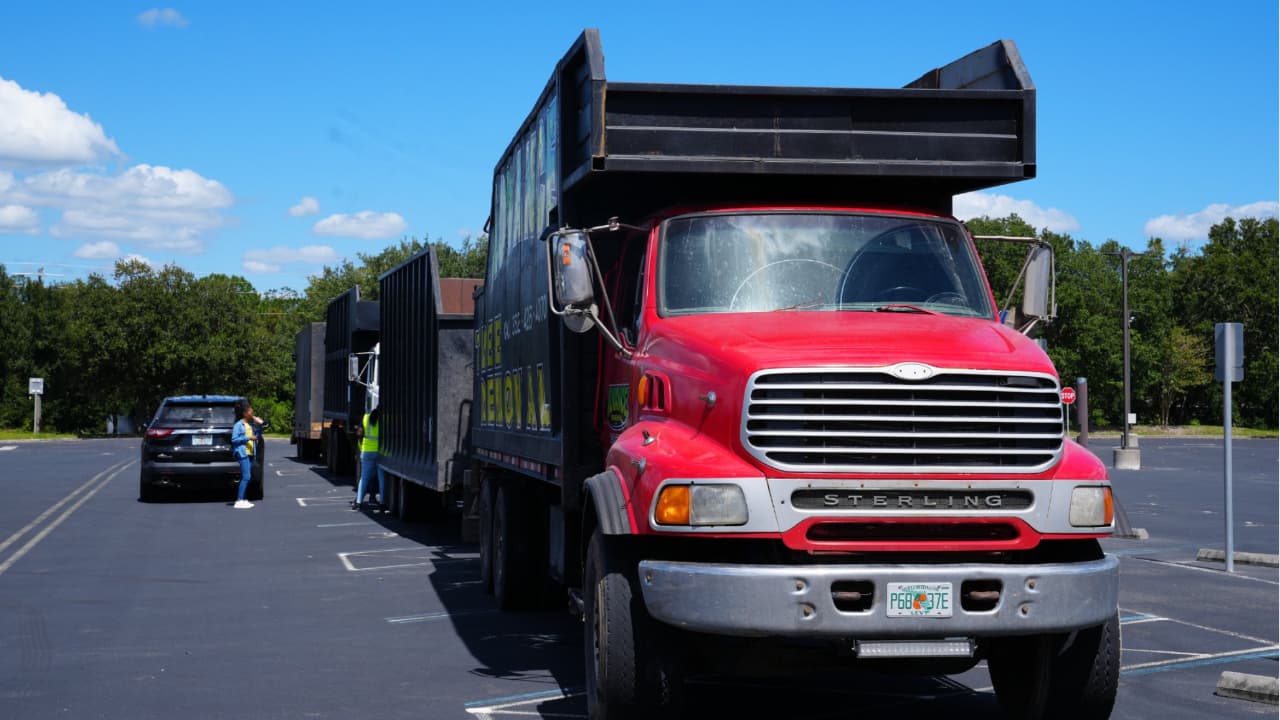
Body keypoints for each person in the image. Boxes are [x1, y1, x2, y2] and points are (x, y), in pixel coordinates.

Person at [353, 406, 384, 512]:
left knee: (364, 478)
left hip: (366, 451)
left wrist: (360, 449)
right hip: (380, 452)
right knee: (381, 479)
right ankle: (382, 504)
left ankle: (358, 502)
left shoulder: (365, 417)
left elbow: (359, 434)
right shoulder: (383, 419)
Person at [231, 400, 258, 509]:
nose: (252, 413)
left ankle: (244, 498)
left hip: (250, 453)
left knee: (245, 477)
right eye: (250, 411)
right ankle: (239, 500)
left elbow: (257, 435)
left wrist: (258, 425)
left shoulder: (249, 424)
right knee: (246, 476)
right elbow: (234, 439)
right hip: (242, 453)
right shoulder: (239, 425)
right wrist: (248, 438)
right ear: (245, 413)